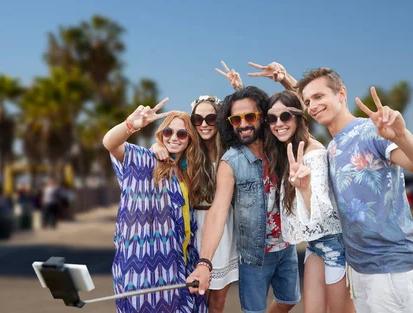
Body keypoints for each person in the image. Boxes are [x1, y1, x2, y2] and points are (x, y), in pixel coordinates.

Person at [295, 67, 413, 313]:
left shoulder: (371, 132)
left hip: (391, 269)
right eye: (307, 101)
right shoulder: (332, 148)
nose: (312, 105)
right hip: (359, 269)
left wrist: (402, 136)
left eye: (319, 97)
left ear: (341, 94)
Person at [187, 85, 300, 313]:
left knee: (289, 300)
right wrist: (204, 262)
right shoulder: (231, 161)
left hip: (287, 246)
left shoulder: (280, 146)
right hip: (254, 255)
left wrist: (285, 80)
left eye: (250, 116)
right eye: (236, 120)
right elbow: (218, 211)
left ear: (263, 117)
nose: (243, 124)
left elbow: (299, 112)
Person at [102, 100, 207, 313]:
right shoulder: (144, 161)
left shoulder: (189, 173)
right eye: (168, 132)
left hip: (181, 265)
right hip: (141, 272)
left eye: (182, 134)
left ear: (190, 140)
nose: (174, 138)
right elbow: (110, 144)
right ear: (161, 134)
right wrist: (130, 126)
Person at [264, 90, 354, 313]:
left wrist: (304, 188)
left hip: (336, 244)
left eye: (285, 116)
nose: (278, 123)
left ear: (298, 118)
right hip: (316, 245)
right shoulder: (288, 151)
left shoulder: (313, 153)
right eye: (272, 118)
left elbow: (322, 209)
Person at [151, 92, 239, 313]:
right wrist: (155, 146)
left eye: (211, 119)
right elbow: (165, 149)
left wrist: (240, 87)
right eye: (197, 120)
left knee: (217, 301)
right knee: (196, 296)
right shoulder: (189, 151)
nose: (204, 124)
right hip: (193, 226)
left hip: (223, 225)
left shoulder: (231, 152)